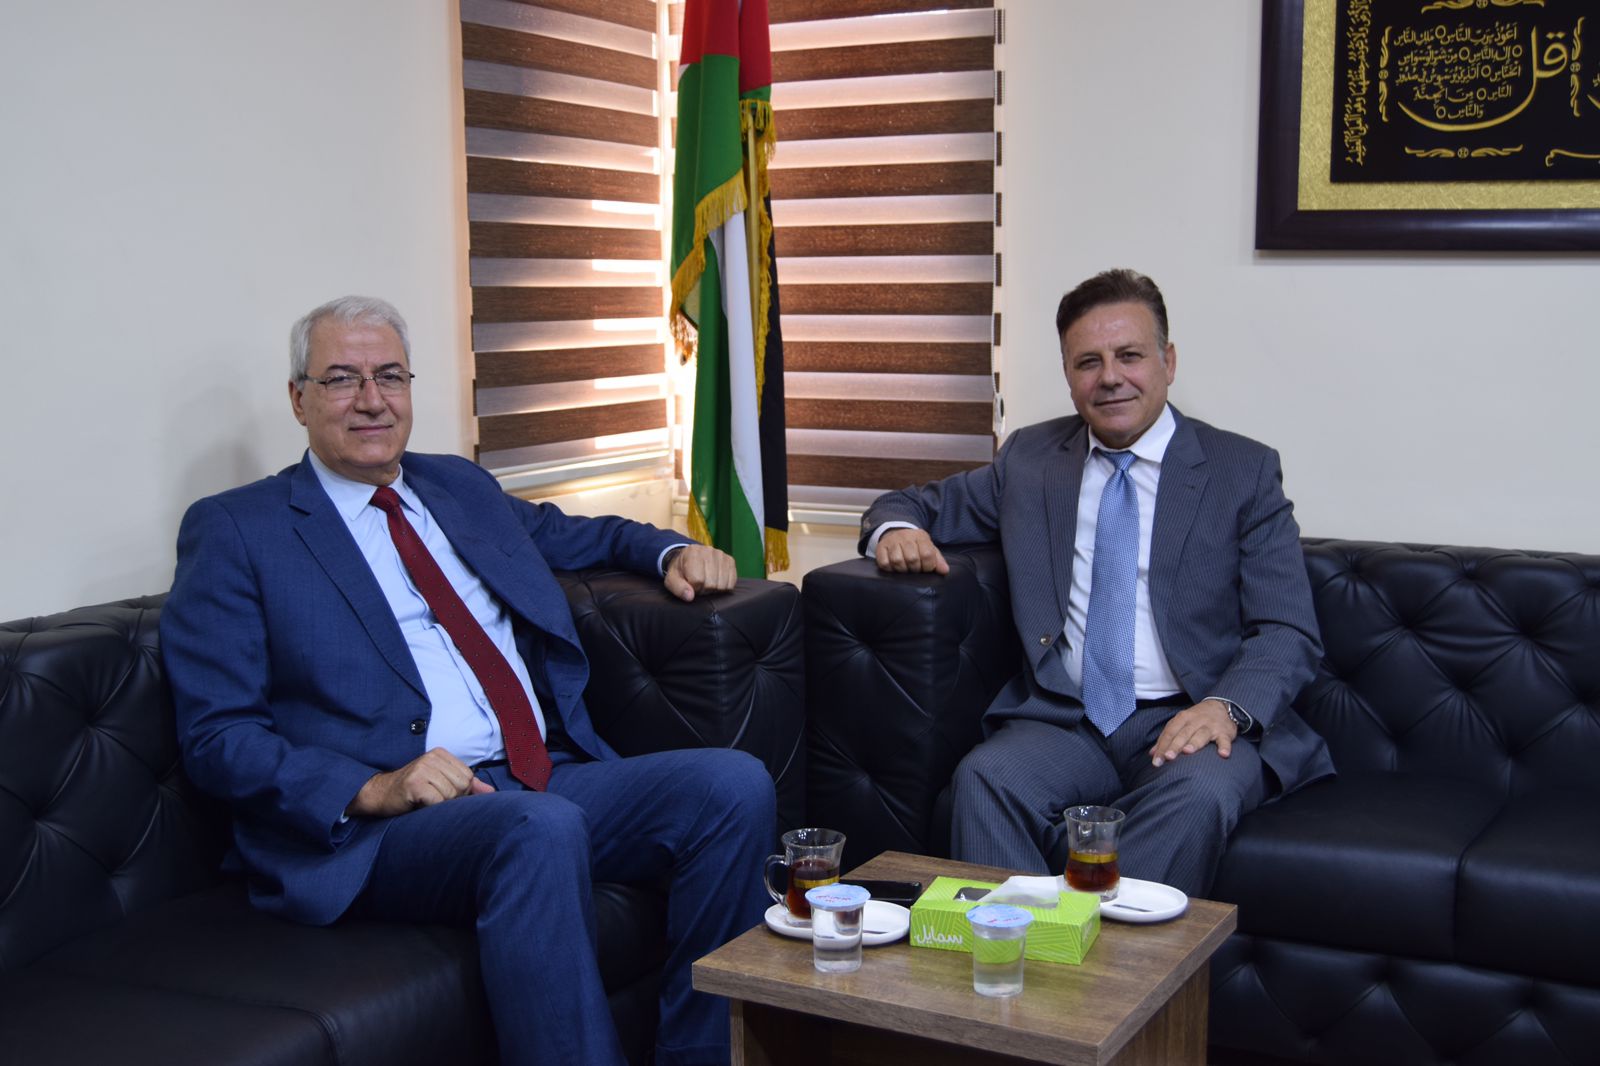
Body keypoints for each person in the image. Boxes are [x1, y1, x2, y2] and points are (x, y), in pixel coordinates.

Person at [160, 295, 775, 1066]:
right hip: (385, 829)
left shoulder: (456, 486)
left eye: (390, 376)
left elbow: (574, 535)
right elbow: (218, 737)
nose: (372, 400)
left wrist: (670, 552)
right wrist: (372, 787)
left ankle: (702, 1056)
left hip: (536, 776)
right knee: (538, 829)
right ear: (298, 399)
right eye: (342, 379)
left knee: (732, 787)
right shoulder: (239, 529)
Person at [863, 268, 1333, 896]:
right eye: (1089, 362)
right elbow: (908, 504)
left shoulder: (1241, 470)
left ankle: (1100, 960)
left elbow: (1287, 628)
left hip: (1188, 715)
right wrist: (895, 530)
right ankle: (1012, 954)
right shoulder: (1031, 461)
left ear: (1167, 361)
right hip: (1067, 721)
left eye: (1129, 355)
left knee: (1199, 795)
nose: (1110, 377)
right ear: (1068, 374)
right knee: (984, 779)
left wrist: (1224, 707)